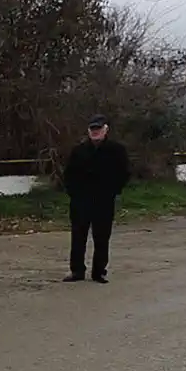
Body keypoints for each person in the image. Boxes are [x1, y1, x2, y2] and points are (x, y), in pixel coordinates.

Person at [63, 114, 130, 284]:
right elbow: (69, 175)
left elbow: (124, 173)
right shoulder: (78, 151)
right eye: (92, 129)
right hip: (80, 201)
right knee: (78, 237)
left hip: (104, 201)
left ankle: (99, 271)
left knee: (101, 238)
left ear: (106, 129)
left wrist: (113, 191)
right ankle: (77, 270)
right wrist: (74, 193)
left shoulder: (116, 150)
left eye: (98, 129)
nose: (95, 132)